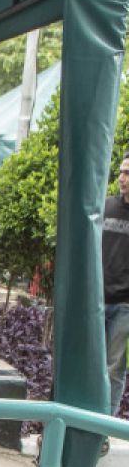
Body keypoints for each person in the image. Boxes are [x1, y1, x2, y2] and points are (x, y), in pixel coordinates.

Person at [104, 154, 129, 414]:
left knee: (114, 368)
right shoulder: (107, 207)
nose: (122, 178)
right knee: (90, 364)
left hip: (125, 306)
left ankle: (103, 427)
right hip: (99, 301)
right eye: (121, 172)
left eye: (128, 173)